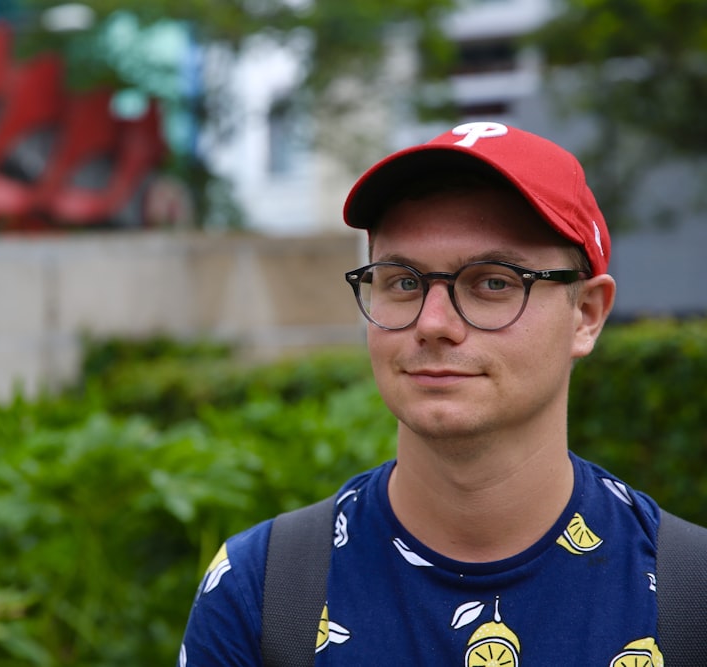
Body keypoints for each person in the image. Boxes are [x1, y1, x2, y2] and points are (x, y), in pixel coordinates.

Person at [177, 122, 675, 666]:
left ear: (586, 315)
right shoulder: (262, 593)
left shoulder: (685, 600)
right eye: (404, 281)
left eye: (493, 281)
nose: (433, 323)